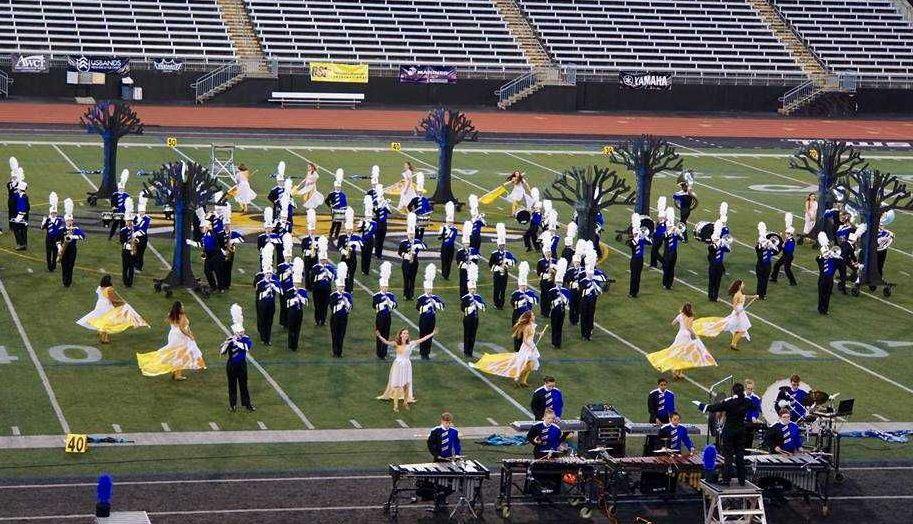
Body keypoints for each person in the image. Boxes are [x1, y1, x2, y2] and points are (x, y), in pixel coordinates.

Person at [694, 383, 752, 486]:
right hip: (741, 432)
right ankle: (742, 480)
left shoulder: (729, 402)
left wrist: (701, 405)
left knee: (728, 456)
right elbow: (754, 406)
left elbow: (714, 408)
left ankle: (726, 480)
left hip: (729, 432)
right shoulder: (747, 401)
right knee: (740, 455)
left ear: (733, 391)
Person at [136, 301, 206, 381]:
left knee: (183, 351)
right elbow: (182, 328)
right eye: (182, 306)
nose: (183, 307)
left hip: (173, 334)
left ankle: (197, 366)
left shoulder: (171, 314)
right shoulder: (182, 316)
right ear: (179, 308)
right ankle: (179, 374)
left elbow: (168, 320)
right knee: (182, 354)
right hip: (180, 336)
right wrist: (190, 335)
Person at [471, 310, 542, 387]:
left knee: (530, 365)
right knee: (528, 365)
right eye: (532, 315)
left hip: (531, 346)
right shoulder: (527, 327)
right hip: (527, 348)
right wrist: (531, 346)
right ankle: (517, 377)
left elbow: (532, 333)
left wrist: (539, 334)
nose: (534, 316)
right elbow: (525, 340)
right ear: (529, 318)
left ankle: (523, 381)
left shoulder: (532, 325)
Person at [647, 303, 717, 380]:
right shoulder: (691, 317)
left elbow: (673, 323)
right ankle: (678, 372)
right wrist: (695, 334)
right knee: (684, 354)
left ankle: (675, 371)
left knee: (677, 352)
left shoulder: (680, 315)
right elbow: (689, 327)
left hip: (680, 335)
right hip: (686, 336)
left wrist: (680, 320)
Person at [376, 327, 436, 411]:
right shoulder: (396, 343)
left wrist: (432, 333)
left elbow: (423, 339)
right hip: (398, 366)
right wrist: (379, 336)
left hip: (407, 366)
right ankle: (395, 406)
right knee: (397, 386)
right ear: (400, 335)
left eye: (407, 333)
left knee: (406, 386)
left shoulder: (410, 344)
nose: (406, 335)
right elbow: (386, 342)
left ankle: (405, 402)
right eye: (404, 333)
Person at [76, 274, 148, 344]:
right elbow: (113, 300)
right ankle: (104, 339)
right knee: (107, 321)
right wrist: (123, 302)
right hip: (106, 305)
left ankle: (100, 332)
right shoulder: (109, 289)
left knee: (100, 318)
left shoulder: (99, 287)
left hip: (99, 305)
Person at [694, 280, 757, 351]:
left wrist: (753, 296)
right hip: (738, 313)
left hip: (740, 313)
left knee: (739, 328)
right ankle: (733, 344)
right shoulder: (737, 295)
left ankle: (733, 344)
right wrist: (737, 312)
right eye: (742, 284)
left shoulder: (740, 293)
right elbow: (734, 305)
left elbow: (745, 296)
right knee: (741, 329)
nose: (744, 285)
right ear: (739, 286)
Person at [221, 304, 255, 412]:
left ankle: (247, 404)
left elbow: (247, 347)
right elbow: (222, 352)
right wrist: (226, 343)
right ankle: (233, 405)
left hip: (241, 365)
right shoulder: (231, 339)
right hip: (231, 365)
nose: (242, 333)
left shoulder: (246, 339)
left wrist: (236, 342)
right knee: (232, 385)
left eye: (242, 331)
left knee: (243, 385)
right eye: (240, 332)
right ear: (236, 332)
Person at [188, 209, 225, 292]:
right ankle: (213, 287)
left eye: (202, 227)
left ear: (207, 226)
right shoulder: (204, 235)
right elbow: (201, 244)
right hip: (209, 256)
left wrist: (215, 216)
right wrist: (191, 243)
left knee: (218, 272)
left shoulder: (213, 233)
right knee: (207, 271)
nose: (201, 229)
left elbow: (219, 225)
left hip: (217, 255)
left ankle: (221, 287)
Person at [253, 245, 281, 346]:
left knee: (269, 321)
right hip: (261, 301)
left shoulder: (274, 278)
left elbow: (279, 288)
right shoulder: (259, 277)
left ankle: (267, 338)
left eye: (270, 273)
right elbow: (256, 287)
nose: (269, 274)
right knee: (262, 318)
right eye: (267, 272)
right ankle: (262, 335)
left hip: (271, 302)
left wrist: (273, 285)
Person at [416, 264, 444, 360]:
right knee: (423, 335)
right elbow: (418, 308)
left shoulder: (435, 297)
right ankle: (422, 352)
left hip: (432, 318)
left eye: (430, 289)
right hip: (423, 319)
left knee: (430, 336)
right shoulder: (421, 298)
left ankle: (427, 352)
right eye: (428, 289)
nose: (429, 291)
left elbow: (442, 306)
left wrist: (436, 303)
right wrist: (427, 306)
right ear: (425, 289)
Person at [578, 248, 606, 341]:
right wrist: (588, 286)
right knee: (584, 315)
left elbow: (603, 284)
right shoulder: (582, 273)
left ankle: (589, 332)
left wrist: (597, 287)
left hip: (593, 297)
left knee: (591, 315)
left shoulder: (597, 273)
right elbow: (580, 286)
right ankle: (583, 333)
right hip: (584, 297)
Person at [510, 261, 540, 350]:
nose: (523, 287)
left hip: (528, 316)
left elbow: (536, 300)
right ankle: (517, 350)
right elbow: (513, 304)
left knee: (527, 334)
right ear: (519, 285)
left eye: (525, 285)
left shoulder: (530, 293)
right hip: (518, 316)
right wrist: (523, 301)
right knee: (518, 333)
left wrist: (528, 298)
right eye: (522, 286)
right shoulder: (515, 293)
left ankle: (525, 351)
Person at [58, 199, 86, 287]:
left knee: (70, 265)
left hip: (72, 249)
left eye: (71, 220)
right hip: (63, 248)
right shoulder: (61, 229)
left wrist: (73, 237)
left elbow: (83, 236)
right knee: (64, 265)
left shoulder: (75, 229)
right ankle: (64, 281)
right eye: (68, 221)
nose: (69, 222)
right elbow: (57, 240)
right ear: (65, 221)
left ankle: (68, 282)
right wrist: (59, 248)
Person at [372, 261, 398, 359]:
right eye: (383, 287)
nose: (385, 288)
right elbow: (374, 306)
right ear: (380, 287)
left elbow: (395, 305)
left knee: (386, 335)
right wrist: (382, 304)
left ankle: (384, 353)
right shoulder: (376, 296)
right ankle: (379, 352)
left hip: (388, 316)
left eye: (386, 287)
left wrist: (389, 302)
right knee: (379, 334)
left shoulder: (391, 295)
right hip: (380, 317)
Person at [398, 213, 425, 300]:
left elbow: (425, 246)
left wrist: (417, 247)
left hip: (414, 263)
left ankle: (412, 294)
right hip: (406, 263)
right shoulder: (403, 243)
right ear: (407, 234)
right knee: (406, 279)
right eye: (410, 234)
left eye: (412, 234)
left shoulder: (417, 241)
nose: (411, 236)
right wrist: (405, 255)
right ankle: (405, 295)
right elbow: (399, 252)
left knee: (412, 280)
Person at [460, 263, 485, 357]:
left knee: (473, 335)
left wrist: (477, 304)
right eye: (471, 289)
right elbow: (463, 309)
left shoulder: (478, 297)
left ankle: (470, 351)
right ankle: (466, 351)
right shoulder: (465, 297)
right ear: (469, 289)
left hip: (475, 318)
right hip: (467, 318)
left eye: (474, 289)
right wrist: (471, 307)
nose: (473, 290)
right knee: (467, 335)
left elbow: (484, 307)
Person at [488, 223, 516, 310]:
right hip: (497, 273)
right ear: (498, 245)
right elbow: (490, 264)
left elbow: (514, 261)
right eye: (500, 245)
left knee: (503, 289)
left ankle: (502, 304)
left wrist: (508, 262)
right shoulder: (494, 254)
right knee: (496, 289)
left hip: (505, 273)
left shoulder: (508, 253)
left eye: (503, 245)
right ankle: (496, 303)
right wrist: (497, 268)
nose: (502, 247)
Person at [329, 262, 353, 358]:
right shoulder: (333, 295)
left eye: (342, 286)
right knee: (335, 334)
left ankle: (340, 351)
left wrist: (346, 302)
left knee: (342, 334)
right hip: (335, 317)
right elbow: (332, 307)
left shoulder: (347, 295)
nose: (341, 288)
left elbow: (350, 307)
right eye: (340, 286)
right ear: (336, 286)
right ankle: (335, 351)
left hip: (344, 317)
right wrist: (340, 303)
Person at [310, 237, 335, 327]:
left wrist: (327, 272)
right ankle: (317, 320)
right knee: (317, 305)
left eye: (325, 259)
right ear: (319, 259)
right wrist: (321, 275)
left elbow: (333, 278)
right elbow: (312, 279)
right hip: (317, 289)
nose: (324, 261)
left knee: (325, 305)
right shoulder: (315, 267)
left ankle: (323, 320)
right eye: (322, 259)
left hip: (327, 289)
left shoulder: (330, 268)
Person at [285, 258, 309, 352]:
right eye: (296, 283)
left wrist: (300, 298)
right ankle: (290, 344)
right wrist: (293, 301)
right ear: (293, 282)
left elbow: (306, 302)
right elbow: (287, 303)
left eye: (298, 283)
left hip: (299, 312)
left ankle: (295, 345)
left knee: (297, 329)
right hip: (291, 312)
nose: (297, 285)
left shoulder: (303, 291)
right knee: (291, 328)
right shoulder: (290, 291)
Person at [548, 259, 571, 349]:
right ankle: (554, 342)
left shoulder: (565, 291)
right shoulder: (552, 291)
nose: (559, 284)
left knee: (560, 327)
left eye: (560, 283)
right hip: (554, 310)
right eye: (558, 283)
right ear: (555, 282)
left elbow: (568, 302)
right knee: (554, 327)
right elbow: (549, 301)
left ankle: (559, 343)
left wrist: (563, 298)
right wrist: (557, 300)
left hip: (562, 311)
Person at [336, 207, 360, 292]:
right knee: (344, 274)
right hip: (344, 258)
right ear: (345, 229)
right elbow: (338, 245)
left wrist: (355, 244)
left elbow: (362, 243)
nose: (349, 231)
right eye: (348, 229)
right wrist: (342, 250)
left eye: (350, 229)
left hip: (353, 258)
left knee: (351, 275)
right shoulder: (342, 237)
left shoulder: (355, 237)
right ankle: (344, 287)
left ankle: (350, 289)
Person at [815, 232, 840, 315]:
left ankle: (825, 310)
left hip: (829, 280)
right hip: (822, 279)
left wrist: (831, 253)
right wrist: (824, 254)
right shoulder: (820, 259)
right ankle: (820, 309)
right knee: (821, 295)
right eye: (824, 252)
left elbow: (838, 257)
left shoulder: (833, 259)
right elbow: (817, 258)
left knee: (827, 295)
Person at [707, 220, 731, 302]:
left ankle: (715, 297)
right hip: (713, 266)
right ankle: (711, 296)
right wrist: (718, 243)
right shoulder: (711, 246)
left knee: (717, 282)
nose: (716, 240)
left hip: (720, 266)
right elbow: (712, 249)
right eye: (715, 239)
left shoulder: (721, 245)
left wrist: (725, 243)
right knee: (712, 281)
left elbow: (728, 250)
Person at [39, 192, 64, 271]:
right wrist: (43, 221)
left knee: (55, 253)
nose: (53, 214)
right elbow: (42, 228)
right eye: (52, 213)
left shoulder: (60, 220)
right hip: (49, 239)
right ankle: (49, 266)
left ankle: (53, 266)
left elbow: (61, 229)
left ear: (56, 213)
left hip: (56, 239)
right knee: (48, 253)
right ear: (50, 213)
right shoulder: (47, 220)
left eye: (55, 213)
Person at [771, 213, 797, 286]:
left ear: (790, 234)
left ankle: (793, 282)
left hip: (788, 256)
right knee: (777, 265)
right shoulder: (788, 239)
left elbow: (789, 250)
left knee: (787, 269)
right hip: (785, 255)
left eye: (787, 233)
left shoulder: (791, 241)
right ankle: (774, 278)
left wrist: (783, 246)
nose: (786, 234)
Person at [455, 221, 480, 297]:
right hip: (463, 270)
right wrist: (465, 264)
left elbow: (477, 257)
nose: (467, 245)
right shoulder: (460, 251)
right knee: (463, 283)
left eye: (468, 243)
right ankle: (462, 296)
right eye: (465, 243)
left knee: (470, 283)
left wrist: (472, 261)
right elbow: (458, 261)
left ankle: (470, 295)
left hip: (471, 270)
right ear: (463, 244)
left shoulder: (473, 250)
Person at [628, 213, 650, 298]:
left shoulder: (641, 238)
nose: (637, 234)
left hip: (640, 259)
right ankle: (631, 292)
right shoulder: (632, 241)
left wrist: (644, 236)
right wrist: (636, 238)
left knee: (638, 276)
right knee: (633, 276)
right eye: (635, 233)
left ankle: (636, 292)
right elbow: (632, 245)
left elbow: (650, 242)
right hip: (634, 260)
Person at [662, 207, 684, 290]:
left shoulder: (675, 233)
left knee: (671, 269)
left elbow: (683, 239)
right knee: (666, 268)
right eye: (669, 226)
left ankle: (669, 284)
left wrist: (679, 232)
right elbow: (664, 237)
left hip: (674, 252)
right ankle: (665, 283)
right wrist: (670, 230)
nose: (670, 227)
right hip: (667, 252)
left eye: (671, 226)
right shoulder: (666, 232)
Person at [118, 197, 137, 287]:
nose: (129, 222)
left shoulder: (135, 229)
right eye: (128, 221)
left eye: (131, 221)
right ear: (126, 221)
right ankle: (126, 282)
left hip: (133, 249)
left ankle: (130, 283)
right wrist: (128, 243)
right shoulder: (123, 230)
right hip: (126, 250)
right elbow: (121, 240)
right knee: (125, 267)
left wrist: (135, 241)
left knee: (131, 267)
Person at [536, 231, 556, 316]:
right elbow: (538, 271)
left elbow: (557, 270)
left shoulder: (554, 261)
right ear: (544, 253)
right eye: (547, 252)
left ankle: (548, 311)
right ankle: (543, 311)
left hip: (551, 281)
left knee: (550, 296)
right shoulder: (541, 261)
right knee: (544, 296)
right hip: (544, 281)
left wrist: (553, 272)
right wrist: (544, 275)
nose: (548, 253)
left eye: (549, 252)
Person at [300, 209, 321, 291]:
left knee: (314, 271)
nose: (312, 231)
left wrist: (316, 248)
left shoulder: (318, 239)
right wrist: (309, 251)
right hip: (308, 258)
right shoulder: (305, 239)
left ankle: (313, 284)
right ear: (308, 230)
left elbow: (320, 248)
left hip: (315, 257)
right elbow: (303, 250)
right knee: (307, 271)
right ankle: (307, 286)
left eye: (313, 230)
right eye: (310, 230)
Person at [755, 222, 776, 300]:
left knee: (763, 279)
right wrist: (765, 244)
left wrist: (769, 244)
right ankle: (760, 294)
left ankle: (761, 294)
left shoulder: (767, 246)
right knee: (762, 279)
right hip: (764, 264)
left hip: (765, 264)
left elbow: (776, 251)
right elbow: (759, 249)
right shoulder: (761, 247)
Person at [325, 168, 348, 239]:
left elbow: (345, 203)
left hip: (341, 210)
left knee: (339, 223)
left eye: (339, 187)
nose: (338, 188)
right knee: (334, 223)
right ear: (335, 187)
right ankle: (331, 234)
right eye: (337, 187)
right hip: (334, 210)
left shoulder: (343, 194)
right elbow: (326, 201)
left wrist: (344, 209)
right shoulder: (332, 194)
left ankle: (336, 235)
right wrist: (331, 206)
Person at [438, 201, 458, 279]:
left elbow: (453, 236)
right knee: (444, 260)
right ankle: (444, 273)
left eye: (451, 222)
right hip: (444, 246)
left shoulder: (454, 229)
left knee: (449, 261)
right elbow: (439, 238)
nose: (450, 223)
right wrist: (442, 231)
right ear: (447, 222)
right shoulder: (443, 228)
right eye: (449, 222)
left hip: (451, 247)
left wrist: (447, 229)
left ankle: (447, 275)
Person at [108, 170, 129, 240]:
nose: (121, 189)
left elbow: (128, 204)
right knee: (115, 225)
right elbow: (112, 203)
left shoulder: (127, 195)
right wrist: (113, 208)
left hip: (123, 213)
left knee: (123, 226)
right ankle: (110, 236)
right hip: (117, 212)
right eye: (120, 188)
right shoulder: (115, 195)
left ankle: (122, 238)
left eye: (122, 188)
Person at [359, 195, 376, 276]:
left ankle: (367, 270)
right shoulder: (363, 222)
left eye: (369, 216)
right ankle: (363, 269)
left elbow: (374, 230)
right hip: (363, 240)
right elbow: (359, 230)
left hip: (370, 241)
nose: (368, 217)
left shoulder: (374, 223)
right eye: (367, 216)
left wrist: (367, 224)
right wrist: (361, 224)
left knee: (368, 256)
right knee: (363, 255)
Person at [9, 178, 29, 250]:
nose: (17, 189)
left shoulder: (23, 197)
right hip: (20, 215)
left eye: (18, 188)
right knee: (22, 230)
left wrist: (19, 217)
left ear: (20, 189)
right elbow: (13, 195)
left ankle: (21, 244)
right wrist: (13, 185)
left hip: (21, 215)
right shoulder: (19, 195)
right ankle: (24, 244)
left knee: (16, 229)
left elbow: (23, 208)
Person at [373, 183, 391, 258]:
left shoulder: (384, 200)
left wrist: (386, 204)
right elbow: (375, 210)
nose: (381, 192)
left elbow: (390, 211)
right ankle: (376, 254)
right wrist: (383, 203)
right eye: (380, 191)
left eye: (381, 191)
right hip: (377, 222)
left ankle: (379, 254)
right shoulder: (375, 201)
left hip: (384, 223)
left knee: (382, 240)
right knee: (377, 239)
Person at [650, 196, 668, 269]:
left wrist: (655, 229)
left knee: (654, 251)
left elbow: (661, 225)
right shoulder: (662, 212)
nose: (657, 203)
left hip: (659, 236)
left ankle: (664, 262)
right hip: (658, 235)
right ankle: (653, 263)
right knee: (653, 250)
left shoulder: (662, 214)